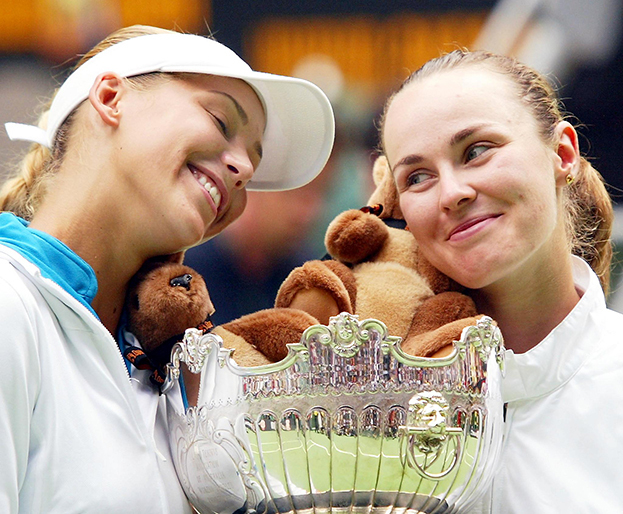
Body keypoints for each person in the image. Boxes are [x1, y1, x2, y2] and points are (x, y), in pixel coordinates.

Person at [0, 25, 334, 513]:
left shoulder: (178, 364)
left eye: (253, 168)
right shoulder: (10, 301)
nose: (242, 168)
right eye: (221, 121)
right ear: (111, 97)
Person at [379, 49, 623, 512]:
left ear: (563, 153)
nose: (452, 193)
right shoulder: (360, 395)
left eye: (476, 151)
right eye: (417, 177)